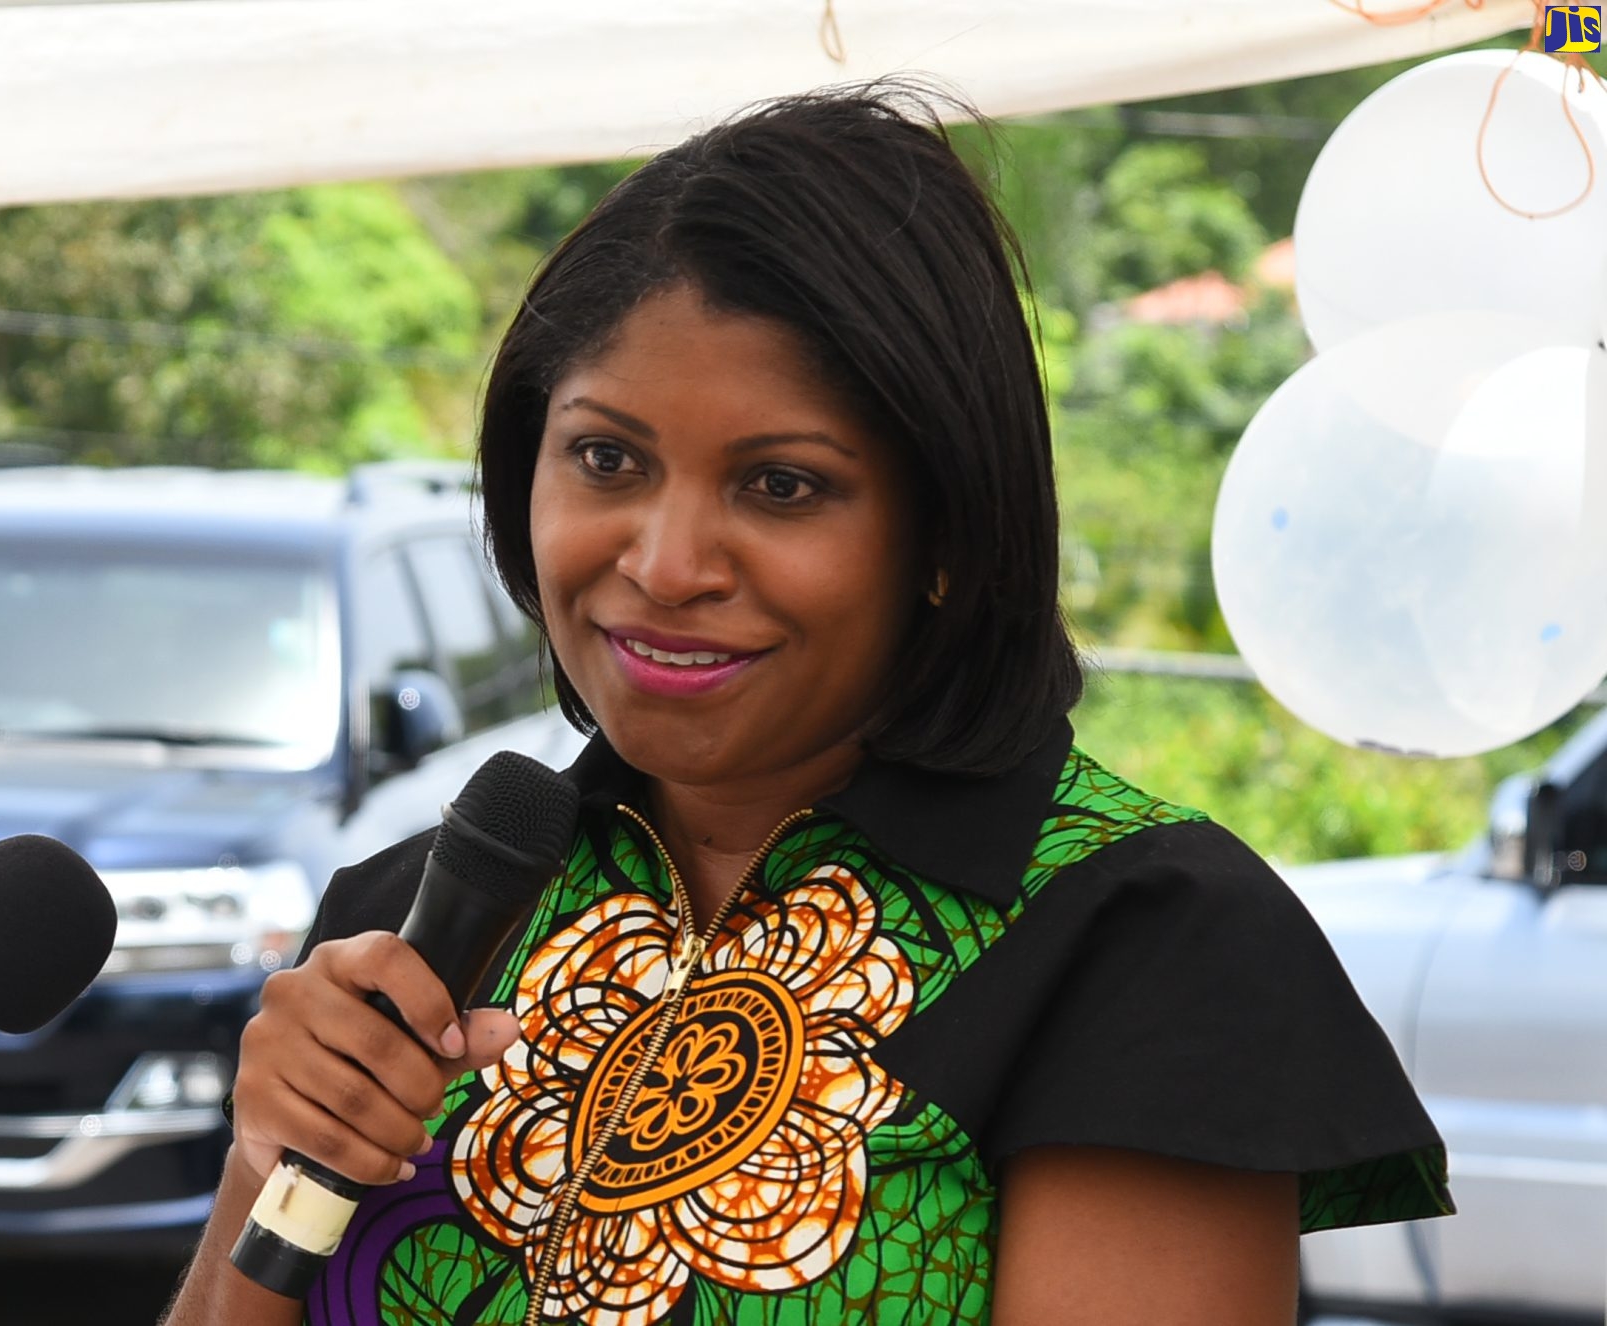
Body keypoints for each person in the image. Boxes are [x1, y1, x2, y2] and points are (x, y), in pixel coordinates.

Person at [163, 83, 1450, 1326]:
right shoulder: (406, 922)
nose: (666, 565)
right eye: (606, 458)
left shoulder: (1144, 940)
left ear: (944, 532)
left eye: (780, 486)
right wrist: (270, 1156)